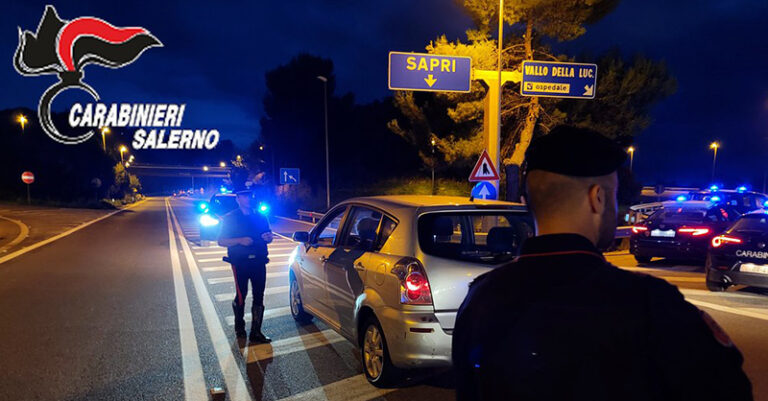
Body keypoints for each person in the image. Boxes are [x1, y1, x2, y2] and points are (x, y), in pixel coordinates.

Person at [452, 126, 752, 401]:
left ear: (528, 200)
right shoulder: (651, 304)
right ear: (597, 198)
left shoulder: (480, 299)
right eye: (613, 195)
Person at [218, 186, 273, 343]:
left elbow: (269, 235)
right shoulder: (230, 218)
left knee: (259, 296)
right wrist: (240, 240)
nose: (248, 198)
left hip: (259, 261)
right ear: (238, 199)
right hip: (240, 262)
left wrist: (269, 237)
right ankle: (239, 326)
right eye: (244, 196)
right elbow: (221, 241)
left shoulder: (261, 216)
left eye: (250, 196)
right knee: (241, 295)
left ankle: (256, 332)